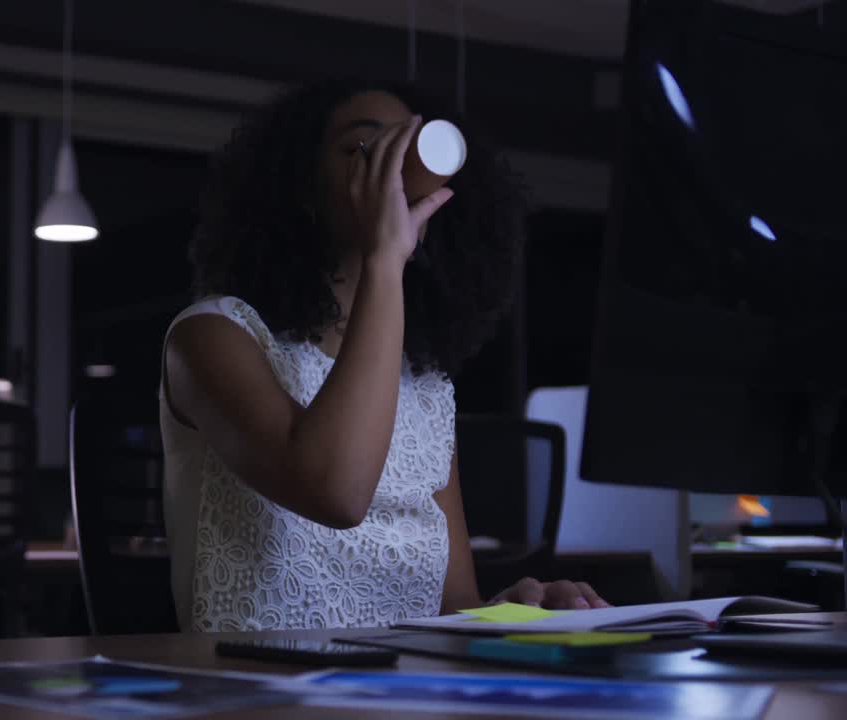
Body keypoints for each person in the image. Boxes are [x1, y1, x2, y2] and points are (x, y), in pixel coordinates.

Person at [160, 82, 608, 632]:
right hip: (258, 676)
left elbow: (451, 610)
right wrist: (385, 258)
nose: (391, 172)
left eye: (406, 149)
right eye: (362, 149)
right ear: (299, 185)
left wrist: (516, 610)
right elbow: (336, 492)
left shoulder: (425, 385)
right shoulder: (213, 335)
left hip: (404, 678)